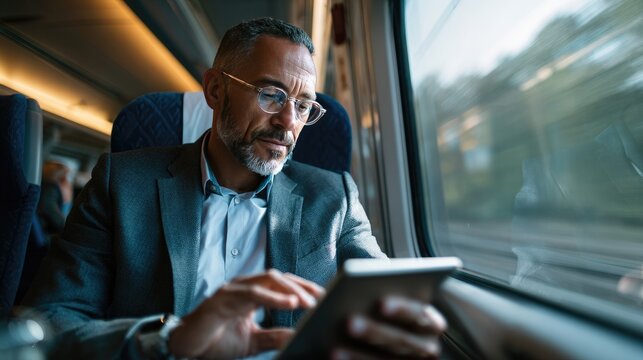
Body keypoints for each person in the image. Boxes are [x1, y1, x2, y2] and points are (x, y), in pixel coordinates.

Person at [24, 18, 447, 359]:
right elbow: (49, 320)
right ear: (215, 89)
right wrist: (168, 339)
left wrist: (397, 325)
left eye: (302, 105)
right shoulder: (122, 183)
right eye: (271, 95)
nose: (288, 123)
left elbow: (384, 296)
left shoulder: (335, 197)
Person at [37, 160, 73, 242]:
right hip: (44, 234)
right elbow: (48, 209)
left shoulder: (43, 185)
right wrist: (69, 229)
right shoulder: (51, 188)